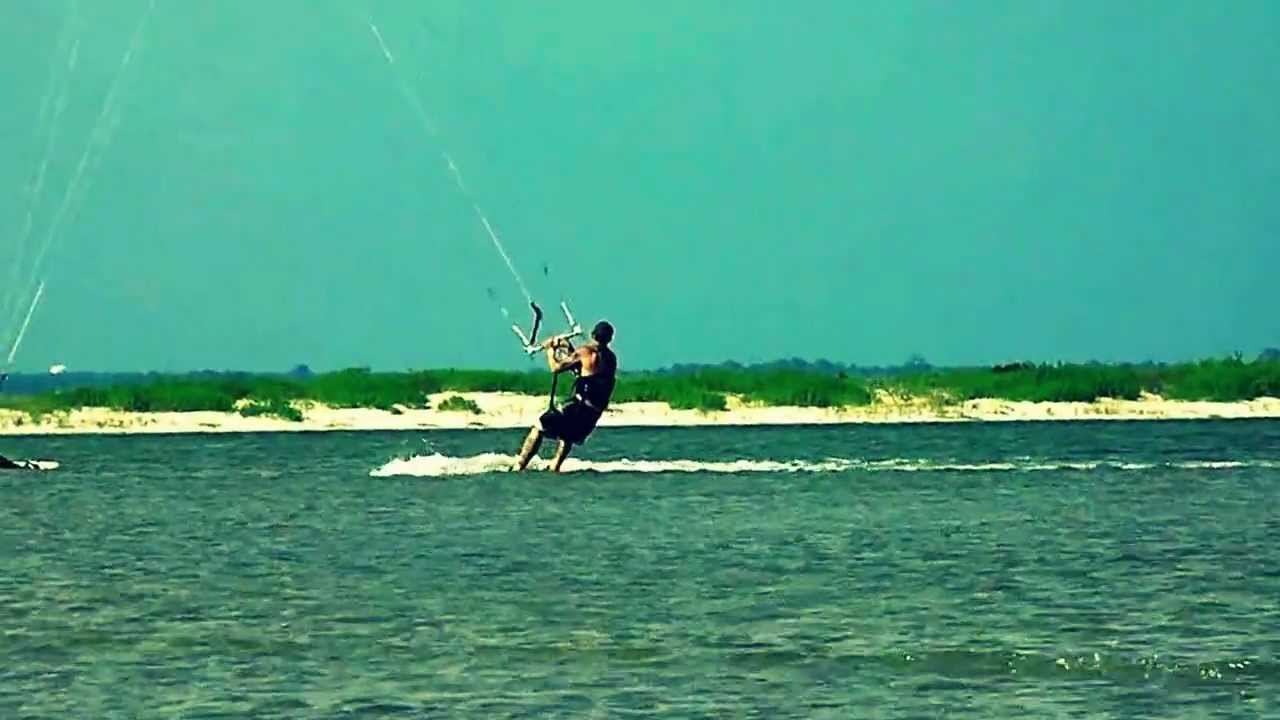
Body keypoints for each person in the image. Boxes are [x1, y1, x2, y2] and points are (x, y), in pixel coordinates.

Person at [514, 320, 617, 472]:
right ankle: (555, 467)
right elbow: (585, 368)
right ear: (610, 339)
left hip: (580, 407)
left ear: (593, 334)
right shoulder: (611, 358)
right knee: (567, 436)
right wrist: (567, 346)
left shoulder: (585, 352)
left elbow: (556, 368)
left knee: (539, 426)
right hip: (593, 413)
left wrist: (550, 350)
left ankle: (519, 465)